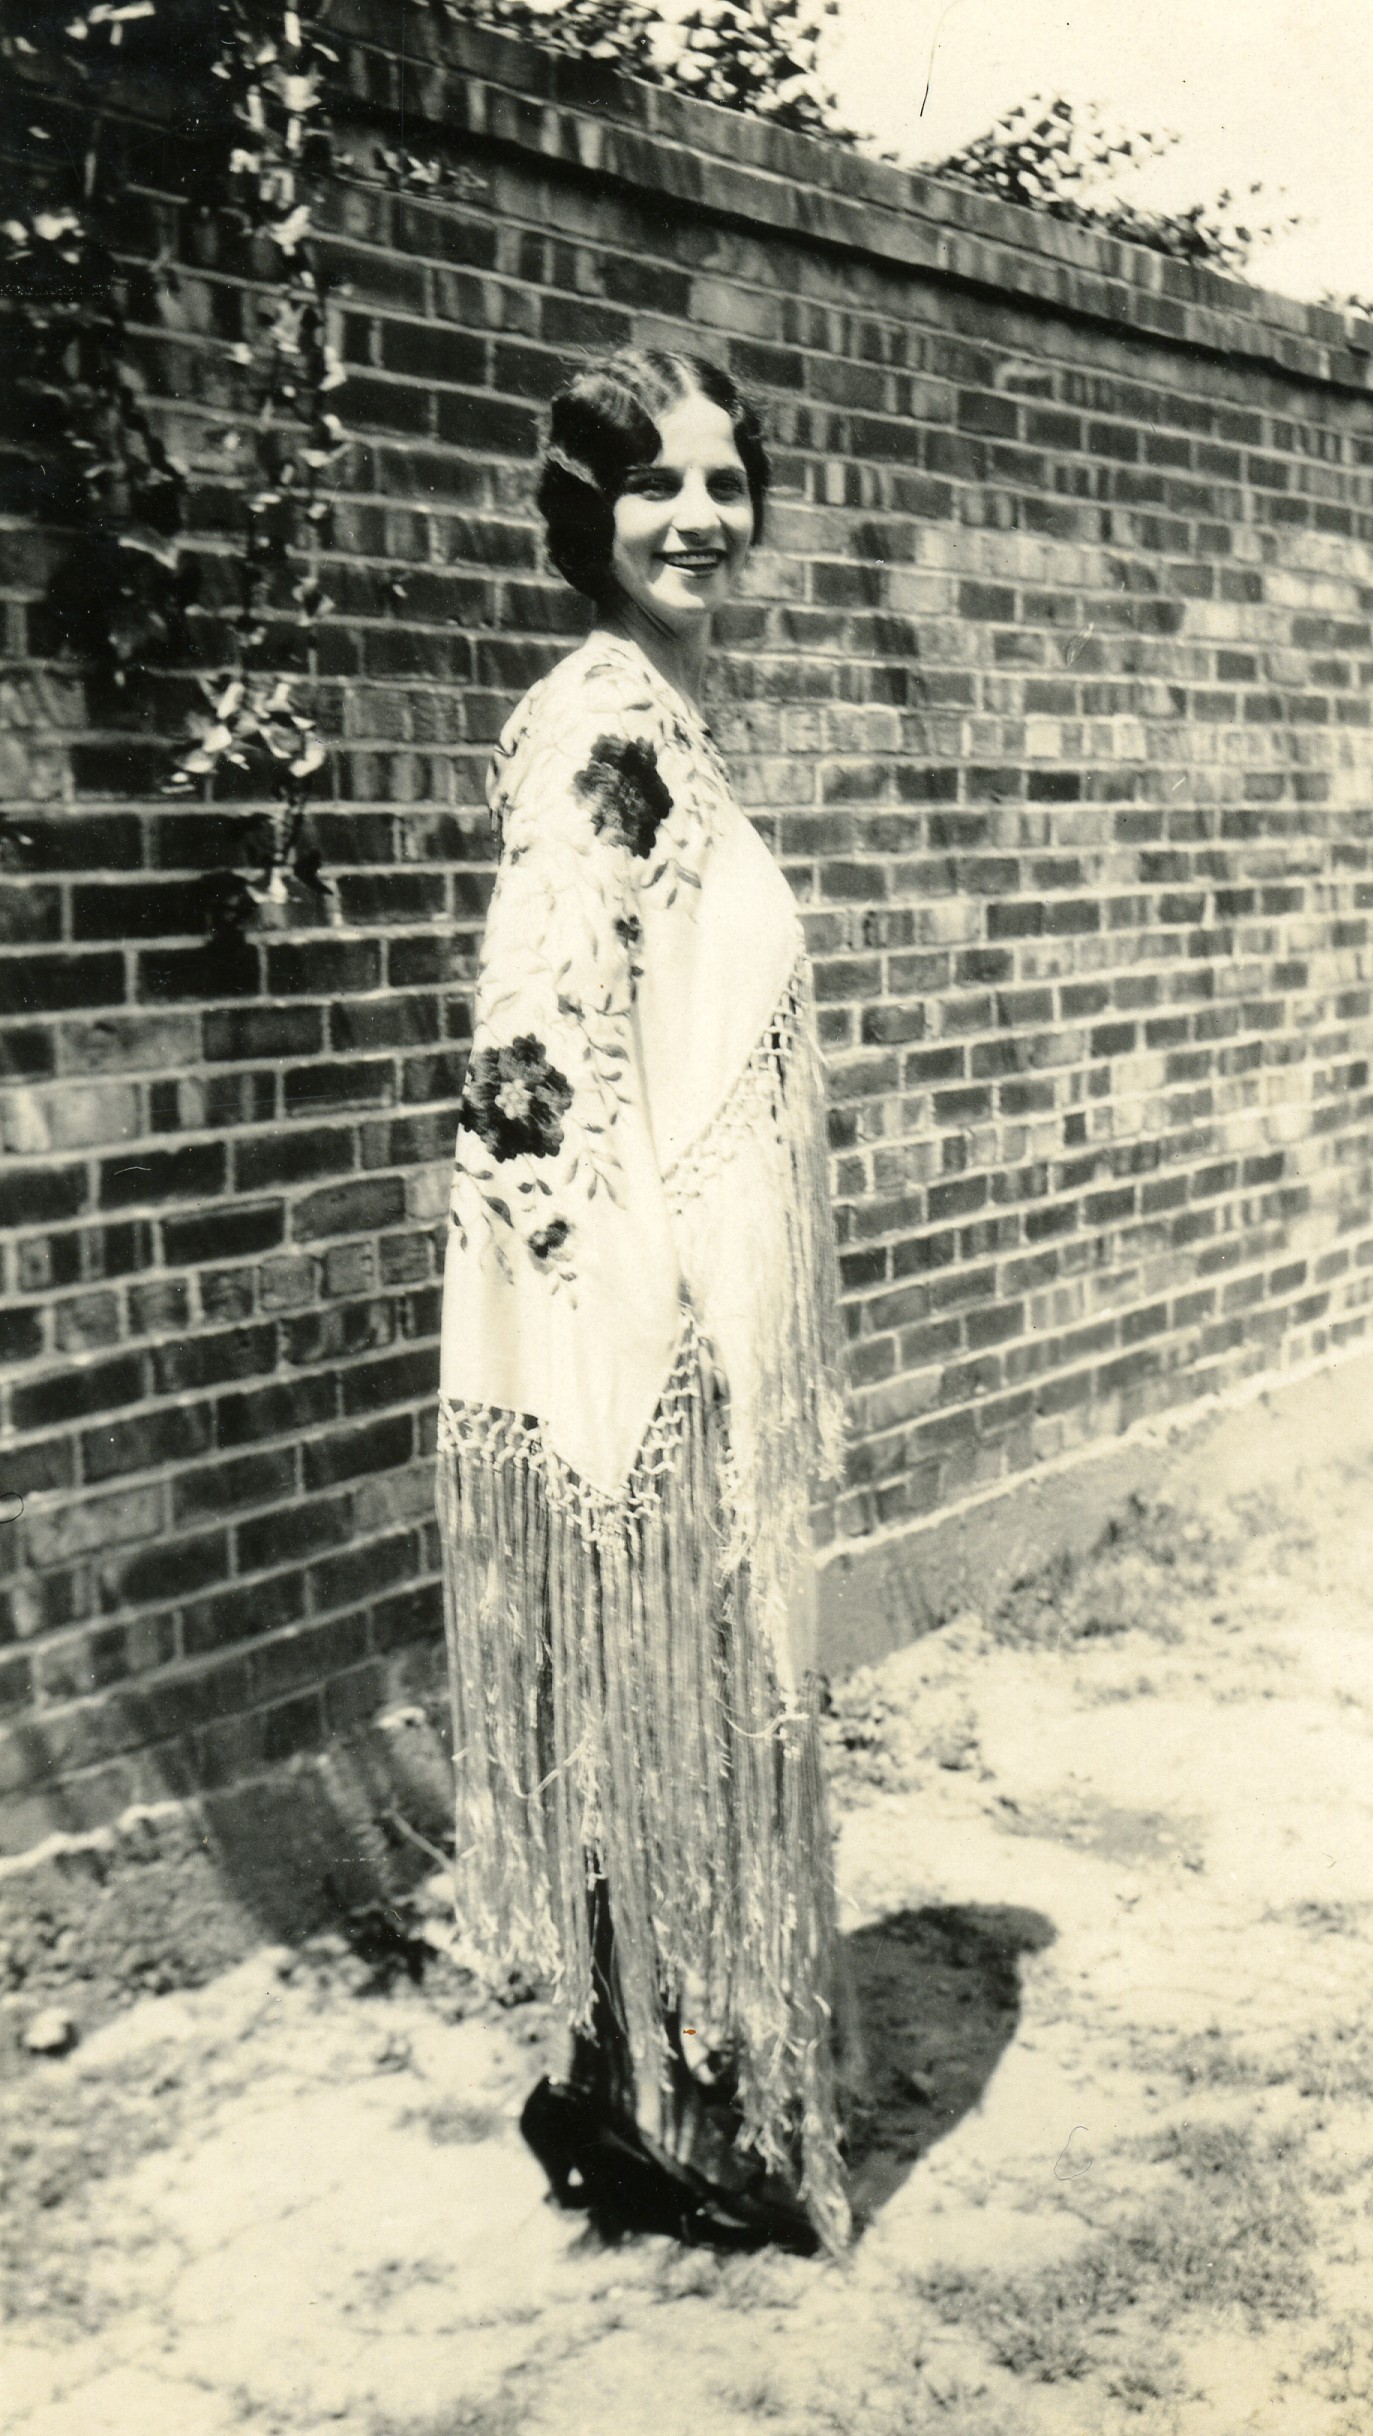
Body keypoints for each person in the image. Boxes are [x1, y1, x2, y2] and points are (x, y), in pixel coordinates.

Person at [435, 347, 852, 2256]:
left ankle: (640, 2086)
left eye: (725, 479)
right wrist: (632, 1302)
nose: (699, 514)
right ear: (584, 520)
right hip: (639, 1301)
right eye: (653, 485)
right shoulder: (595, 717)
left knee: (682, 1693)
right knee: (663, 1688)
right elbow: (534, 1038)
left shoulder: (668, 708)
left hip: (697, 1276)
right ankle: (645, 2097)